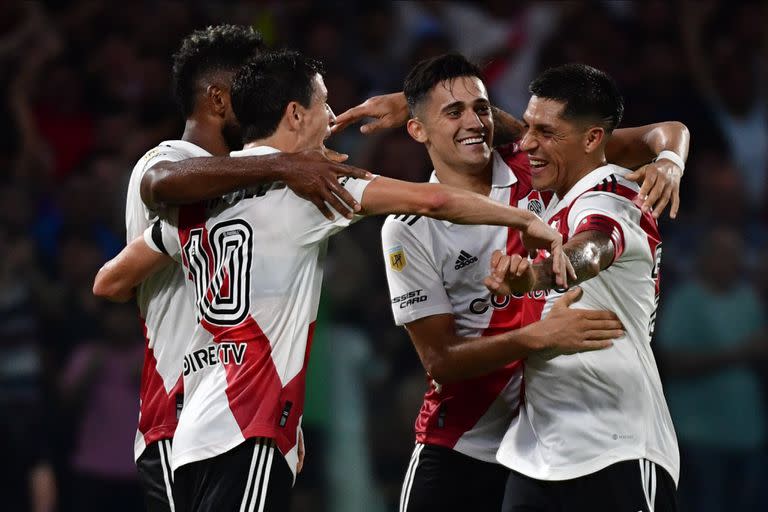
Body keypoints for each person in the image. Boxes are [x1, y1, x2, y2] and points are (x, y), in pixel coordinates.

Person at [94, 49, 575, 512]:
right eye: (323, 105)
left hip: (193, 431)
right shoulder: (311, 185)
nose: (331, 119)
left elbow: (109, 282)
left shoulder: (203, 199)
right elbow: (434, 202)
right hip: (249, 423)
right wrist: (526, 222)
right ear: (296, 115)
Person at [378, 53, 689, 512]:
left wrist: (669, 158)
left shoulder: (544, 174)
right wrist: (536, 333)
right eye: (452, 111)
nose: (476, 122)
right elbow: (439, 360)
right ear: (418, 129)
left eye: (481, 108)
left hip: (585, 436)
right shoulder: (408, 227)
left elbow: (598, 239)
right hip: (474, 439)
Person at [126, 25, 371, 512]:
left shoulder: (244, 177)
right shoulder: (172, 158)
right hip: (176, 413)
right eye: (248, 85)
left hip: (228, 409)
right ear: (219, 100)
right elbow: (160, 182)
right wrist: (281, 165)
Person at [485, 63, 680, 512]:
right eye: (528, 126)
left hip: (618, 450)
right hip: (536, 457)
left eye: (546, 132)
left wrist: (533, 275)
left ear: (593, 139)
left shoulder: (612, 195)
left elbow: (594, 249)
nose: (528, 143)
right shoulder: (557, 202)